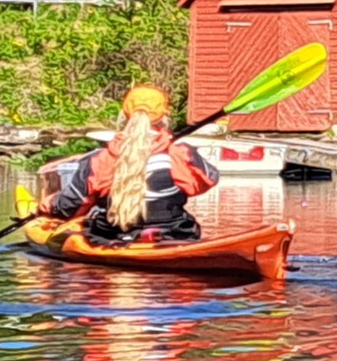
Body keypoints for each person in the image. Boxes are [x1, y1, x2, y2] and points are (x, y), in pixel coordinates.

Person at [38, 85, 219, 245]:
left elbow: (72, 203)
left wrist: (46, 204)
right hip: (173, 233)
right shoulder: (180, 153)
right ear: (164, 117)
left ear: (124, 115)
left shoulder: (102, 159)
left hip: (113, 236)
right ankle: (148, 234)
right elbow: (209, 179)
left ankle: (135, 236)